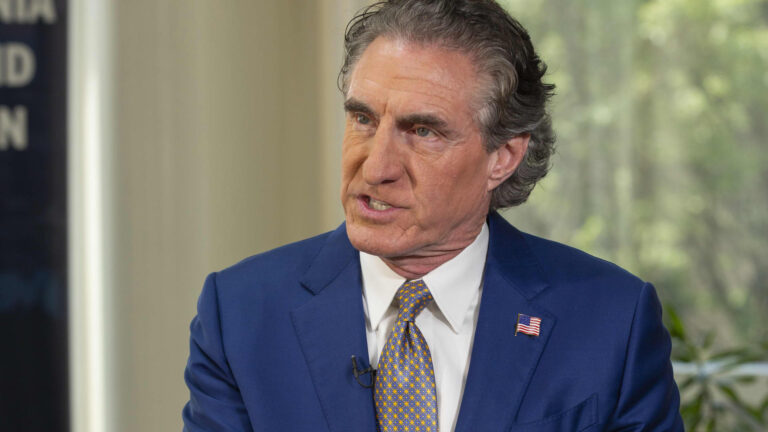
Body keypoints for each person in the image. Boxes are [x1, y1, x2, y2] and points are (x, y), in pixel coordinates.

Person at [182, 1, 684, 431]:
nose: (375, 168)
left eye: (423, 131)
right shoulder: (241, 314)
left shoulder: (612, 320)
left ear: (503, 157)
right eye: (363, 119)